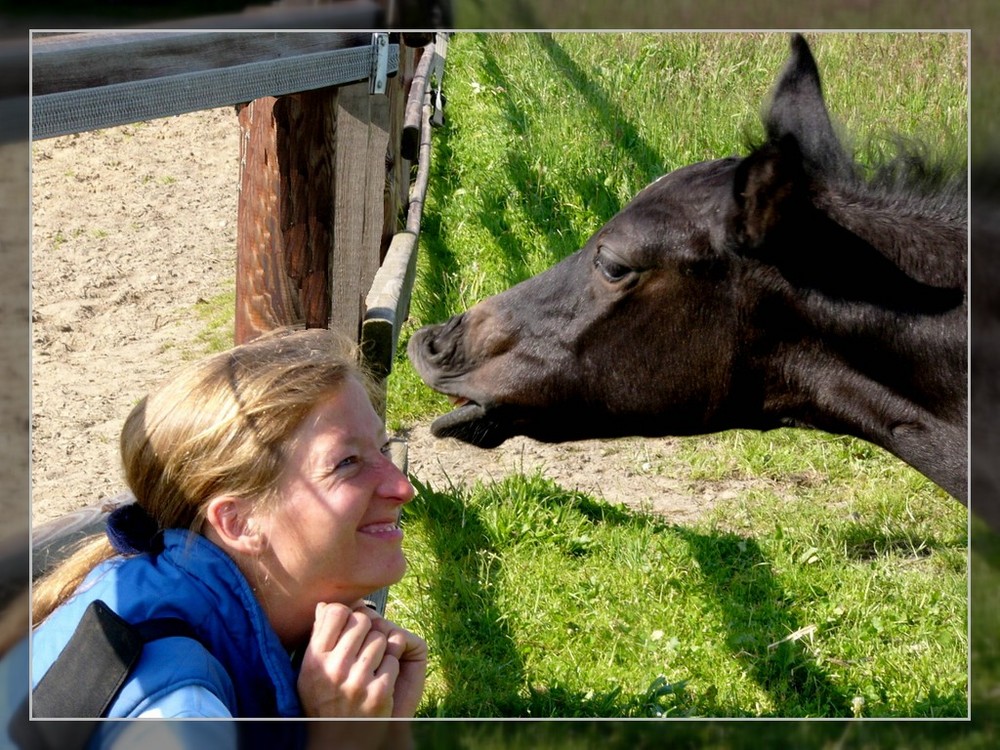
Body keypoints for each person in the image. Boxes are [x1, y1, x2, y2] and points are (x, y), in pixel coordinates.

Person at [28, 327, 427, 726]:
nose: (402, 487)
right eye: (347, 462)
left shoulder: (152, 588)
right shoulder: (178, 712)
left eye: (382, 448)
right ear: (238, 523)